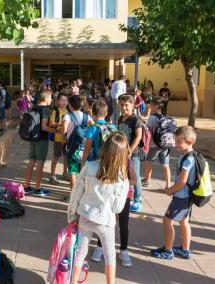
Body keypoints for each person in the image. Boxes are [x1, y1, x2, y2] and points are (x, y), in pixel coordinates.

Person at [68, 132, 130, 284]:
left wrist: (72, 215)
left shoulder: (89, 167)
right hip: (105, 221)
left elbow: (76, 193)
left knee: (80, 252)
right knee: (110, 256)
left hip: (85, 216)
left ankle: (73, 281)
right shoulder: (122, 179)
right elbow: (117, 208)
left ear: (104, 148)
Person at [151, 126, 197, 260]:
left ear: (189, 142)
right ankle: (185, 249)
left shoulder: (188, 159)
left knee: (167, 221)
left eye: (178, 141)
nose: (176, 144)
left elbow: (182, 182)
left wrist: (170, 190)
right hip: (187, 197)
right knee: (184, 221)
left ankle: (168, 251)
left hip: (181, 196)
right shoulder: (192, 156)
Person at [24, 90, 56, 197]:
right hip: (41, 139)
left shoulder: (33, 107)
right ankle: (38, 188)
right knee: (40, 163)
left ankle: (27, 187)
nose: (51, 100)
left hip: (32, 138)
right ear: (46, 98)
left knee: (31, 161)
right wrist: (55, 131)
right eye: (50, 98)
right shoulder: (45, 109)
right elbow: (44, 127)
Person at [117, 95, 144, 212]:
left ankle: (138, 199)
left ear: (132, 106)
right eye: (121, 105)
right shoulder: (120, 118)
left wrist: (130, 150)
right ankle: (127, 194)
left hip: (133, 153)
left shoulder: (136, 119)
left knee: (135, 175)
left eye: (126, 105)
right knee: (123, 174)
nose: (123, 108)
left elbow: (138, 136)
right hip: (121, 152)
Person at [62, 95, 94, 190]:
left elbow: (64, 129)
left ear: (70, 106)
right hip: (85, 148)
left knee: (72, 171)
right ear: (81, 105)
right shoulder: (87, 116)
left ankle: (73, 194)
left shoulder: (68, 116)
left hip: (72, 148)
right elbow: (93, 127)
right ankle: (82, 193)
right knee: (83, 171)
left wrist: (62, 137)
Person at [142, 97, 172, 190]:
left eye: (151, 105)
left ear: (156, 106)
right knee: (165, 165)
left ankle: (147, 180)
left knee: (148, 162)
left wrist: (146, 144)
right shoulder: (166, 117)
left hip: (154, 145)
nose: (149, 106)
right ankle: (168, 185)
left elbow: (149, 133)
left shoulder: (152, 118)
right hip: (165, 145)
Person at [49, 93, 69, 185]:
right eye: (62, 100)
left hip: (67, 138)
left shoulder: (69, 111)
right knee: (56, 156)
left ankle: (65, 173)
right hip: (58, 137)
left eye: (66, 100)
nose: (64, 102)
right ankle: (52, 175)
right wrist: (60, 124)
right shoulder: (55, 111)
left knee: (66, 156)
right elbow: (51, 123)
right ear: (58, 101)